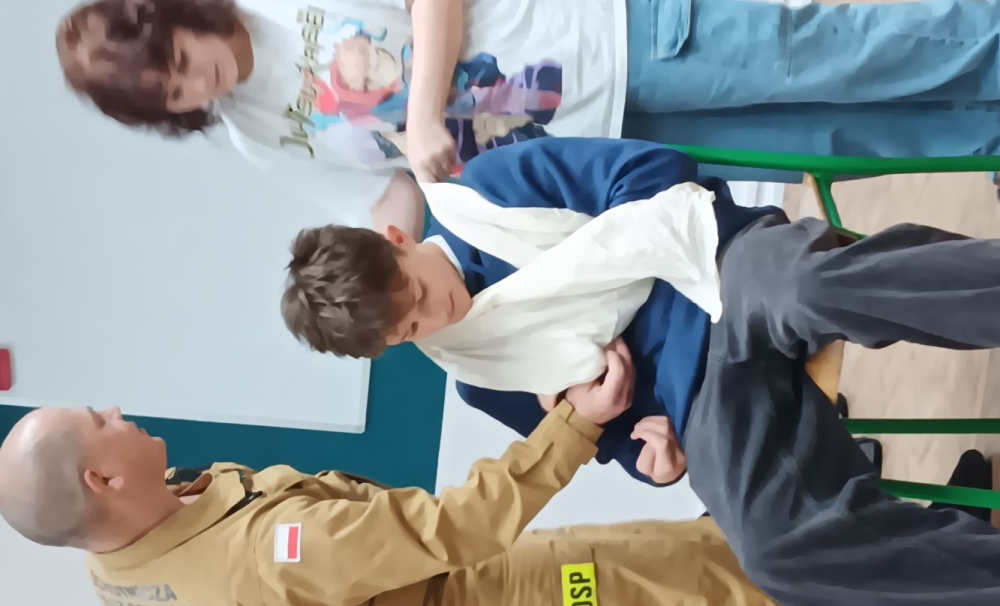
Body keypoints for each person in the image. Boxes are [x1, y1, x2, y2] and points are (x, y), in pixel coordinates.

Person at [281, 136, 1000, 606]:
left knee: (809, 285)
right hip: (699, 400)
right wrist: (648, 455)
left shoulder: (489, 192)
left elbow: (655, 169)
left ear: (398, 240)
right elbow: (619, 445)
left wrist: (601, 283)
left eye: (415, 294)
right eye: (409, 331)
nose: (435, 317)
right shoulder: (478, 377)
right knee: (774, 555)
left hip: (717, 265)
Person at [3, 364, 1000, 606]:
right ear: (100, 482)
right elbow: (454, 530)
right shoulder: (265, 557)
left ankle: (928, 575)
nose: (116, 410)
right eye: (99, 421)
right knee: (713, 586)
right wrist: (573, 424)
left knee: (703, 558)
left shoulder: (122, 562)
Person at [56, 0, 1000, 240]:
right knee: (824, 146)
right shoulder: (255, 135)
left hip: (607, 41)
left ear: (175, 18)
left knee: (834, 57)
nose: (201, 83)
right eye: (177, 97)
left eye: (182, 62)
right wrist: (397, 245)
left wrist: (424, 108)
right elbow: (387, 187)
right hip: (597, 149)